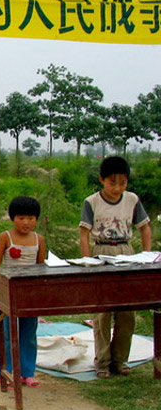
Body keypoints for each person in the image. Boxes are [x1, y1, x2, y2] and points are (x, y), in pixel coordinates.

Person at [79, 156, 152, 379]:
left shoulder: (132, 200)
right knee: (102, 311)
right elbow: (84, 234)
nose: (117, 188)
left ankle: (120, 359)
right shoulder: (91, 202)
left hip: (127, 253)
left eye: (123, 183)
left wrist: (146, 255)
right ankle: (102, 361)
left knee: (127, 310)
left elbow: (145, 228)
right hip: (101, 252)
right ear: (102, 180)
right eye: (112, 183)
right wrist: (87, 262)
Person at [0, 196, 47, 388]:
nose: (26, 222)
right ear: (12, 218)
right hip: (9, 292)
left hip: (30, 294)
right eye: (21, 218)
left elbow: (41, 267)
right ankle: (4, 372)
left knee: (29, 333)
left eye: (31, 218)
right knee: (7, 333)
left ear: (36, 219)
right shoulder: (5, 237)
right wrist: (0, 292)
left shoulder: (39, 240)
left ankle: (27, 372)